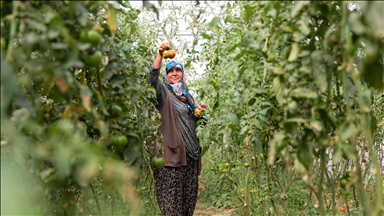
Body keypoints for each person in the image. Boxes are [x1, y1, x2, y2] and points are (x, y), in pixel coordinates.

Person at [148, 42, 206, 216]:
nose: (174, 73)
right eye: (171, 71)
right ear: (166, 76)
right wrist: (160, 55)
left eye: (178, 70)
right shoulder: (163, 92)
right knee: (171, 204)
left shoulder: (188, 97)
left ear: (182, 73)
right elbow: (151, 81)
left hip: (190, 156)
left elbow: (199, 125)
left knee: (188, 203)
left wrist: (200, 115)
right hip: (171, 156)